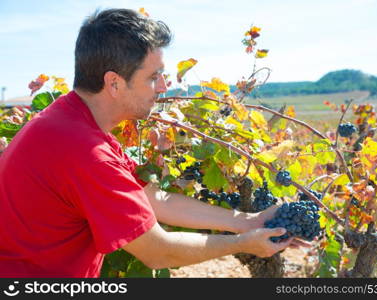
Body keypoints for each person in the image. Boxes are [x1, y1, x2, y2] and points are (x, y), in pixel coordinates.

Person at [0, 8, 307, 278]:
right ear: (114, 83)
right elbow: (158, 251)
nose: (163, 86)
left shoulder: (72, 121)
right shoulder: (83, 151)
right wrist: (244, 244)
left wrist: (248, 222)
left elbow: (153, 200)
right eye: (153, 76)